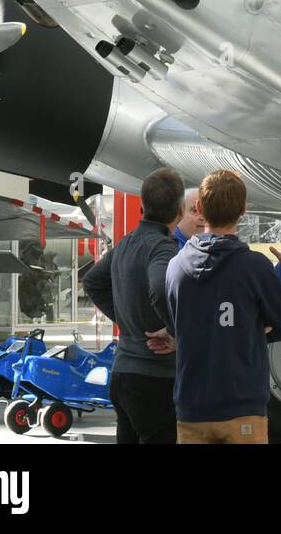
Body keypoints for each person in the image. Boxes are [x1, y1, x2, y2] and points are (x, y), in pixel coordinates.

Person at [165, 169, 281, 443]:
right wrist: (250, 329)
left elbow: (175, 325)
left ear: (199, 208)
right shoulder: (255, 267)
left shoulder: (175, 267)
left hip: (191, 406)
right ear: (244, 209)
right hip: (242, 404)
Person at [81, 167, 185, 444]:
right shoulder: (163, 247)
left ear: (142, 206)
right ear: (181, 212)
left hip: (123, 374)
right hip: (153, 379)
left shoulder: (125, 245)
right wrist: (174, 330)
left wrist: (125, 319)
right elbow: (160, 289)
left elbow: (91, 281)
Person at [173, 186, 281, 291]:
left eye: (207, 210)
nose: (202, 216)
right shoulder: (168, 254)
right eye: (194, 210)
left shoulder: (227, 251)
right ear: (179, 213)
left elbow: (256, 291)